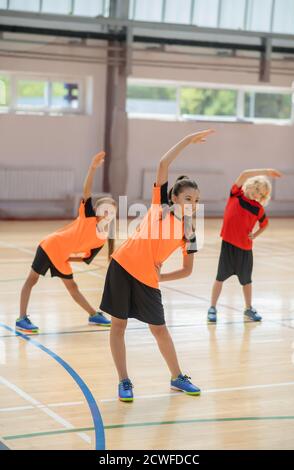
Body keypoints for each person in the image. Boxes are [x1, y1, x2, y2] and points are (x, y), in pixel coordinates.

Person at [100, 129, 215, 402]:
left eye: (196, 201)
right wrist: (188, 140)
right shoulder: (158, 207)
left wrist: (159, 277)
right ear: (175, 198)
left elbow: (187, 270)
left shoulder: (190, 232)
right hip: (121, 266)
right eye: (188, 199)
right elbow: (164, 164)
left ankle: (177, 377)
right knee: (119, 325)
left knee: (159, 329)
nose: (193, 204)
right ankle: (124, 380)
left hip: (148, 280)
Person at [17, 151, 115, 332]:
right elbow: (87, 190)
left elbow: (85, 259)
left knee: (73, 287)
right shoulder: (88, 217)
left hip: (61, 256)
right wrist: (92, 168)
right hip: (51, 246)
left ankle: (93, 315)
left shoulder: (101, 239)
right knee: (32, 280)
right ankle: (21, 318)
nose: (109, 213)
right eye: (106, 209)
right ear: (97, 210)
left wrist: (69, 259)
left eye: (113, 211)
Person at [207, 168, 282, 323]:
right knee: (219, 278)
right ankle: (212, 307)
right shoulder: (236, 194)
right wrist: (266, 171)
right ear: (249, 186)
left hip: (245, 249)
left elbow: (265, 224)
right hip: (228, 246)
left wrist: (255, 235)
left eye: (261, 194)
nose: (256, 195)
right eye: (256, 190)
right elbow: (243, 174)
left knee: (247, 281)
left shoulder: (258, 209)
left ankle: (248, 308)